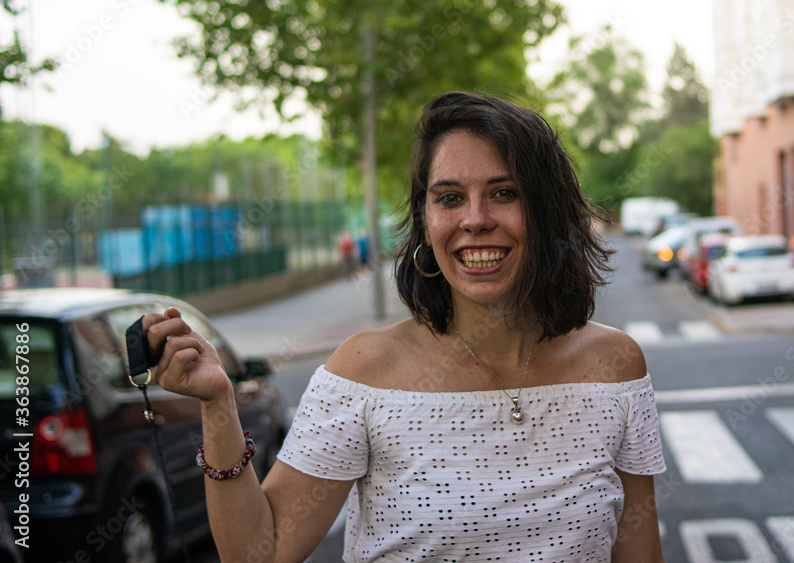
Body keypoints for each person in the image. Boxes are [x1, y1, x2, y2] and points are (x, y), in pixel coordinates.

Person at [140, 91, 667, 562]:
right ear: (425, 221)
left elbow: (639, 551)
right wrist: (218, 405)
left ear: (549, 212)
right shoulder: (366, 370)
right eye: (449, 197)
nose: (475, 218)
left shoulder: (615, 367)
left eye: (504, 192)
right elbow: (262, 554)